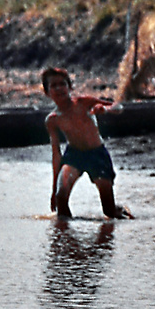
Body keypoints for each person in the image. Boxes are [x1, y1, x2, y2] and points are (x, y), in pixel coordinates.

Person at [43, 66, 132, 220]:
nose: (59, 88)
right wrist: (53, 190)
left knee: (109, 211)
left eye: (62, 84)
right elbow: (56, 154)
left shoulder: (83, 102)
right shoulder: (52, 119)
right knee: (61, 196)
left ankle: (120, 210)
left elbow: (118, 107)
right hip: (74, 156)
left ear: (70, 87)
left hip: (97, 154)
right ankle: (66, 237)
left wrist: (105, 109)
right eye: (53, 85)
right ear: (47, 92)